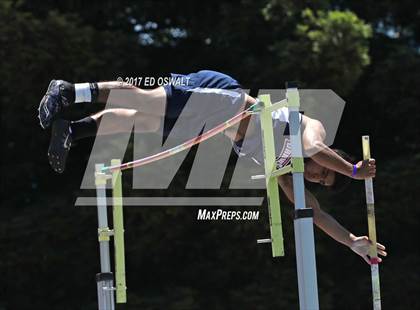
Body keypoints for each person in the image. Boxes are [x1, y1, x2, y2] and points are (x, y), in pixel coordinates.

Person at [38, 70, 386, 264]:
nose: (315, 176)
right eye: (323, 173)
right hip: (223, 95)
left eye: (320, 180)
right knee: (145, 101)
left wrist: (352, 241)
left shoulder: (285, 172)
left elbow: (315, 213)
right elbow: (314, 148)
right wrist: (352, 170)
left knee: (141, 121)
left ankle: (74, 130)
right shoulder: (314, 131)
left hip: (214, 121)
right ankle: (70, 91)